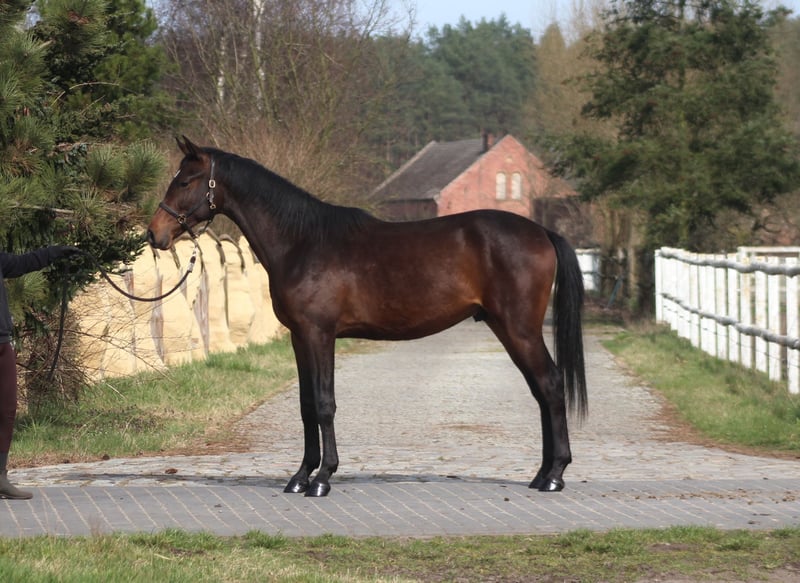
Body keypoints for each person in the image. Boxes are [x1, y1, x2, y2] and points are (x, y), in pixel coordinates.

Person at [0, 245, 80, 499]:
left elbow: (22, 263)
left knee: (6, 410)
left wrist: (56, 253)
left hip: (2, 344)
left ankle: (0, 477)